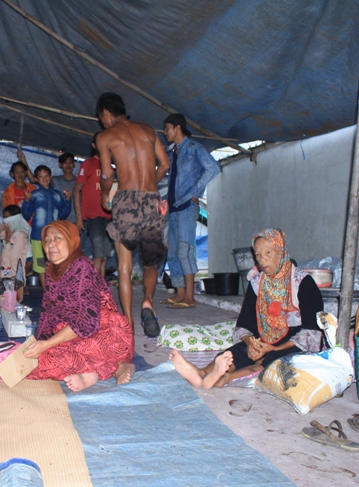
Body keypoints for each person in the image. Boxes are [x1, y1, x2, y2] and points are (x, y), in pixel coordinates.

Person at [170, 228, 325, 388]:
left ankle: (225, 378)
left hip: (292, 342)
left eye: (268, 253)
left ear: (281, 251)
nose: (262, 260)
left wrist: (274, 347)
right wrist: (250, 343)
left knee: (273, 362)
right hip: (263, 338)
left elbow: (312, 332)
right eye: (257, 255)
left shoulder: (302, 283)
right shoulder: (257, 283)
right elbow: (244, 323)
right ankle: (202, 373)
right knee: (237, 352)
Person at [25, 220, 135, 392]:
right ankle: (109, 369)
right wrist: (40, 341)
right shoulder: (51, 269)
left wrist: (46, 345)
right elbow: (48, 311)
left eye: (57, 238)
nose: (50, 244)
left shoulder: (82, 267)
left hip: (105, 333)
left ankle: (109, 368)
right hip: (74, 331)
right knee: (36, 359)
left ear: (72, 241)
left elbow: (86, 322)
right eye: (47, 240)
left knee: (49, 360)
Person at [96, 92, 169, 337]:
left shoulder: (105, 136)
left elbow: (107, 174)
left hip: (125, 200)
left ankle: (126, 324)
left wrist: (105, 196)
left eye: (101, 118)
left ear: (106, 114)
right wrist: (151, 188)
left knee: (124, 266)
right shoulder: (148, 131)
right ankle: (147, 301)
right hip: (151, 199)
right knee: (151, 262)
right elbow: (165, 164)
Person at [162, 114, 220, 308]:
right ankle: (180, 293)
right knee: (173, 252)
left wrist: (196, 192)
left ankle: (190, 297)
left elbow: (213, 167)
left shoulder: (194, 148)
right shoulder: (172, 152)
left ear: (178, 128)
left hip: (187, 205)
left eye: (167, 128)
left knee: (185, 249)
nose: (165, 132)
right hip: (174, 206)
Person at [21, 165, 71, 289]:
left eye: (46, 176)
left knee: (55, 262)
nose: (44, 179)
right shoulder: (33, 194)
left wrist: (68, 200)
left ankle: (56, 289)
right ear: (36, 179)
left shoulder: (57, 194)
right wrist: (26, 201)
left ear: (51, 177)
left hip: (54, 236)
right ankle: (46, 292)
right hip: (38, 236)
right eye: (41, 177)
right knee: (41, 264)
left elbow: (63, 214)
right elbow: (26, 215)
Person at [74, 133, 113, 279]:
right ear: (94, 145)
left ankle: (101, 288)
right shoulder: (88, 164)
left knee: (104, 257)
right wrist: (79, 216)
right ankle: (95, 289)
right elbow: (77, 189)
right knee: (98, 256)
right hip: (93, 215)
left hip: (109, 216)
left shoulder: (110, 168)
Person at [0, 204, 31, 301]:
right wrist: (3, 229)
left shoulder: (21, 234)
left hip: (15, 271)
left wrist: (8, 240)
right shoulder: (11, 231)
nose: (5, 221)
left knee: (15, 299)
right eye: (4, 218)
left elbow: (14, 257)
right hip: (7, 268)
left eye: (8, 218)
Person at [52, 152, 78, 224]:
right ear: (60, 165)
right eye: (65, 163)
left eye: (70, 162)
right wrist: (23, 160)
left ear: (74, 164)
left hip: (76, 221)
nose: (68, 165)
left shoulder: (79, 183)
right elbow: (35, 179)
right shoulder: (54, 180)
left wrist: (80, 219)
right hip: (59, 221)